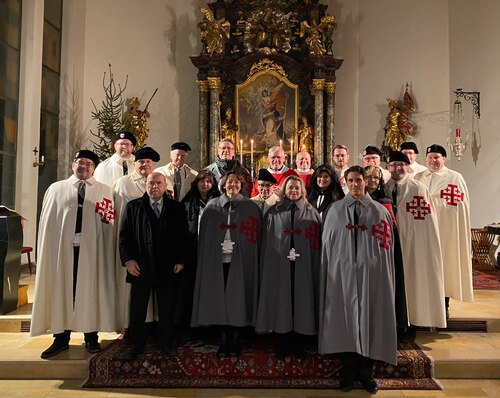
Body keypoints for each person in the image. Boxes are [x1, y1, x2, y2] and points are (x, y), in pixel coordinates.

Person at [319, 165, 397, 394]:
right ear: (345, 182)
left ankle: (365, 373)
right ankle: (348, 371)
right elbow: (328, 246)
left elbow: (385, 247)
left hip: (371, 276)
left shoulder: (379, 211)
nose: (355, 184)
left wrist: (372, 265)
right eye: (351, 180)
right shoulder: (334, 211)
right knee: (345, 322)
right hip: (341, 277)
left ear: (365, 182)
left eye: (359, 180)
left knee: (370, 319)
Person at [31, 150, 116, 359]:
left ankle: (91, 337)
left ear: (94, 168)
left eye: (88, 164)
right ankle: (60, 338)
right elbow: (48, 224)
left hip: (92, 253)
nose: (84, 167)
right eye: (80, 162)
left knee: (90, 290)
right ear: (73, 165)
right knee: (61, 289)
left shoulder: (105, 191)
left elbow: (108, 226)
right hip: (61, 252)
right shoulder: (56, 189)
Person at [191, 171, 262, 358]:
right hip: (217, 260)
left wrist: (241, 249)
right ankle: (223, 340)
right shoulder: (212, 206)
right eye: (229, 182)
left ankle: (236, 339)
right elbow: (205, 236)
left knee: (238, 296)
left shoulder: (250, 207)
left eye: (236, 183)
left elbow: (255, 238)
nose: (233, 185)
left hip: (242, 261)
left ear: (241, 186)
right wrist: (216, 248)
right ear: (223, 185)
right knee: (219, 296)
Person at [119, 172, 188, 360]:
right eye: (151, 183)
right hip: (140, 265)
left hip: (168, 266)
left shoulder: (176, 207)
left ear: (165, 185)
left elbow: (184, 236)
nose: (154, 186)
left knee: (166, 307)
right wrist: (128, 260)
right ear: (145, 185)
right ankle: (135, 344)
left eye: (159, 183)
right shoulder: (133, 207)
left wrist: (181, 260)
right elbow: (124, 237)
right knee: (138, 307)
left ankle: (167, 343)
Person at [256, 175, 322, 359]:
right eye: (290, 188)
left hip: (304, 266)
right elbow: (267, 241)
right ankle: (282, 342)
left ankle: (298, 342)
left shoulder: (311, 212)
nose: (293, 191)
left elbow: (316, 243)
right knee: (281, 299)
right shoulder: (273, 212)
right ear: (284, 190)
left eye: (297, 188)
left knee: (302, 299)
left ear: (302, 191)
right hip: (279, 265)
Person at [385, 151, 446, 342]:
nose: (397, 168)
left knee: (412, 282)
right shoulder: (383, 188)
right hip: (389, 245)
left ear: (407, 166)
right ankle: (393, 322)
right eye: (393, 165)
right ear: (388, 168)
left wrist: (423, 245)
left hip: (412, 245)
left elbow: (427, 222)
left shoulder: (418, 189)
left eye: (400, 165)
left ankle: (411, 323)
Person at [415, 144, 473, 317]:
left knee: (445, 268)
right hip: (423, 232)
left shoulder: (455, 178)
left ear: (444, 159)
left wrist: (438, 207)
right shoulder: (418, 177)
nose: (433, 160)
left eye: (437, 157)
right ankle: (424, 308)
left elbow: (460, 207)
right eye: (430, 157)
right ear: (426, 159)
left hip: (446, 231)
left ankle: (444, 306)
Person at [113, 146, 161, 333]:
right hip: (136, 244)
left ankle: (154, 323)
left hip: (157, 245)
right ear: (134, 163)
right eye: (141, 161)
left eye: (149, 162)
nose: (145, 165)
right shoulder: (122, 184)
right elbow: (119, 220)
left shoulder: (163, 182)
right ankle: (131, 325)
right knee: (135, 291)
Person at [365, 165, 408, 338]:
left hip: (381, 252)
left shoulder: (385, 202)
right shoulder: (354, 200)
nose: (373, 181)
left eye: (377, 178)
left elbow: (391, 231)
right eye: (369, 177)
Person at [179, 170, 221, 327]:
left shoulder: (218, 201)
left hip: (212, 250)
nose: (205, 184)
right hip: (192, 249)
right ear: (196, 183)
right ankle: (191, 323)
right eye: (202, 181)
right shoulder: (188, 201)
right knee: (191, 286)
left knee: (210, 287)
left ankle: (211, 323)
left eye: (209, 181)